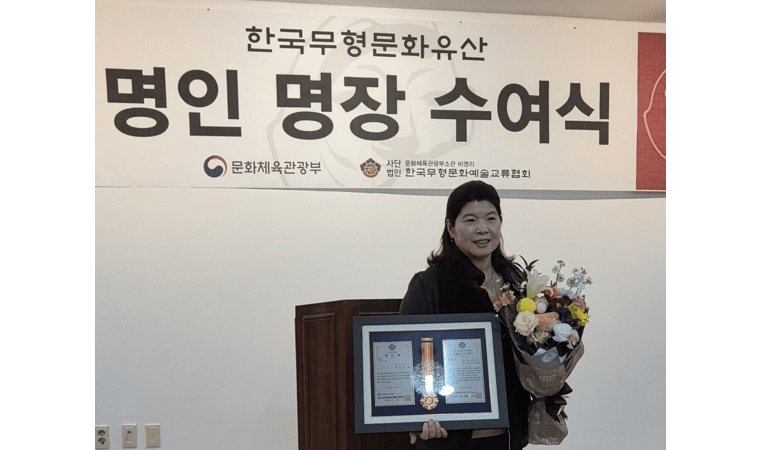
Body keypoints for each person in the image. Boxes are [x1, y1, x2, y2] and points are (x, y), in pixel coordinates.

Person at [399, 180, 531, 450]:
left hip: (509, 434)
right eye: (470, 220)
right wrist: (414, 416)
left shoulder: (516, 281)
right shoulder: (430, 284)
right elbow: (407, 357)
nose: (482, 229)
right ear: (450, 228)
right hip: (450, 437)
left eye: (491, 218)